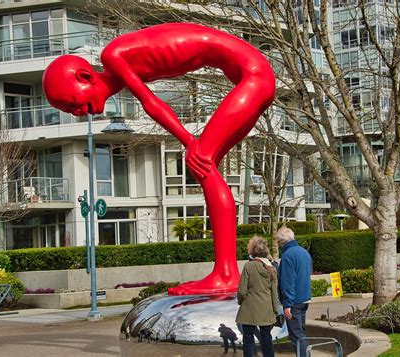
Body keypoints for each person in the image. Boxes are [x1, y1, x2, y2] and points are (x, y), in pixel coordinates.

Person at [42, 22, 275, 296]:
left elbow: (151, 103)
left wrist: (189, 142)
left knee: (203, 162)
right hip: (256, 77)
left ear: (85, 76)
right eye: (68, 109)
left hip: (254, 77)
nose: (78, 111)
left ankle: (225, 274)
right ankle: (225, 271)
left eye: (72, 102)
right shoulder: (122, 59)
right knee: (208, 167)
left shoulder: (113, 56)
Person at [236, 236, 278, 357]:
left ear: (253, 251)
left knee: (248, 339)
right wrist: (275, 310)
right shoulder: (272, 269)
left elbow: (242, 291)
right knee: (266, 339)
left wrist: (240, 302)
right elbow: (274, 292)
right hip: (266, 308)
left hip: (249, 308)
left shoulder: (248, 266)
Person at [276, 226, 312, 357]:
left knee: (296, 336)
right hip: (305, 299)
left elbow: (287, 282)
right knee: (301, 333)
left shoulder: (287, 256)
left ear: (281, 242)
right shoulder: (304, 252)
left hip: (294, 302)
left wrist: (287, 304)